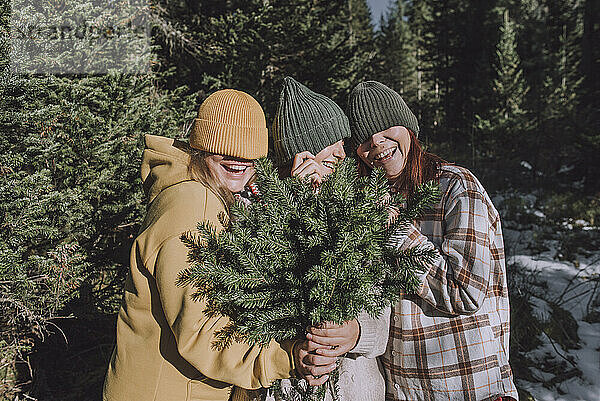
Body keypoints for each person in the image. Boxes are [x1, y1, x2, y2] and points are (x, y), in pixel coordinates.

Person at [102, 89, 335, 401]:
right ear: (201, 147)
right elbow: (203, 331)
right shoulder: (192, 208)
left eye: (248, 152)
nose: (238, 159)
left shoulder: (209, 196)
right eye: (223, 147)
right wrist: (286, 357)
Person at [310, 81, 519, 401]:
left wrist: (395, 228)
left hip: (468, 387)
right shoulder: (365, 203)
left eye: (384, 128)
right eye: (364, 138)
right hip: (403, 390)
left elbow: (463, 291)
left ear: (408, 126)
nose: (376, 144)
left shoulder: (456, 187)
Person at [269, 76, 391, 401]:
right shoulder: (268, 215)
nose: (342, 158)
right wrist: (294, 203)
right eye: (330, 151)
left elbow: (382, 317)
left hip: (357, 390)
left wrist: (357, 333)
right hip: (291, 388)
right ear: (302, 158)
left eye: (342, 147)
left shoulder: (361, 210)